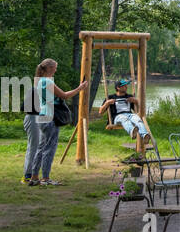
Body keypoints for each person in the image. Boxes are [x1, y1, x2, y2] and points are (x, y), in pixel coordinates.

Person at [23, 59, 87, 187]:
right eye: (55, 68)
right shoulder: (47, 81)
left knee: (41, 148)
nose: (56, 70)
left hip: (42, 116)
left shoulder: (39, 81)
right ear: (50, 68)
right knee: (49, 148)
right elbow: (64, 95)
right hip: (50, 117)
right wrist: (80, 88)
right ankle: (45, 178)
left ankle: (35, 177)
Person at [99, 79, 152, 143]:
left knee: (137, 119)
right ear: (118, 88)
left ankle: (145, 135)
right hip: (117, 117)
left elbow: (139, 111)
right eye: (124, 86)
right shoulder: (110, 97)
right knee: (124, 118)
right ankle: (132, 131)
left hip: (130, 115)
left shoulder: (129, 97)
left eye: (126, 85)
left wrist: (136, 102)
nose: (126, 87)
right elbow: (100, 112)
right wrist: (107, 103)